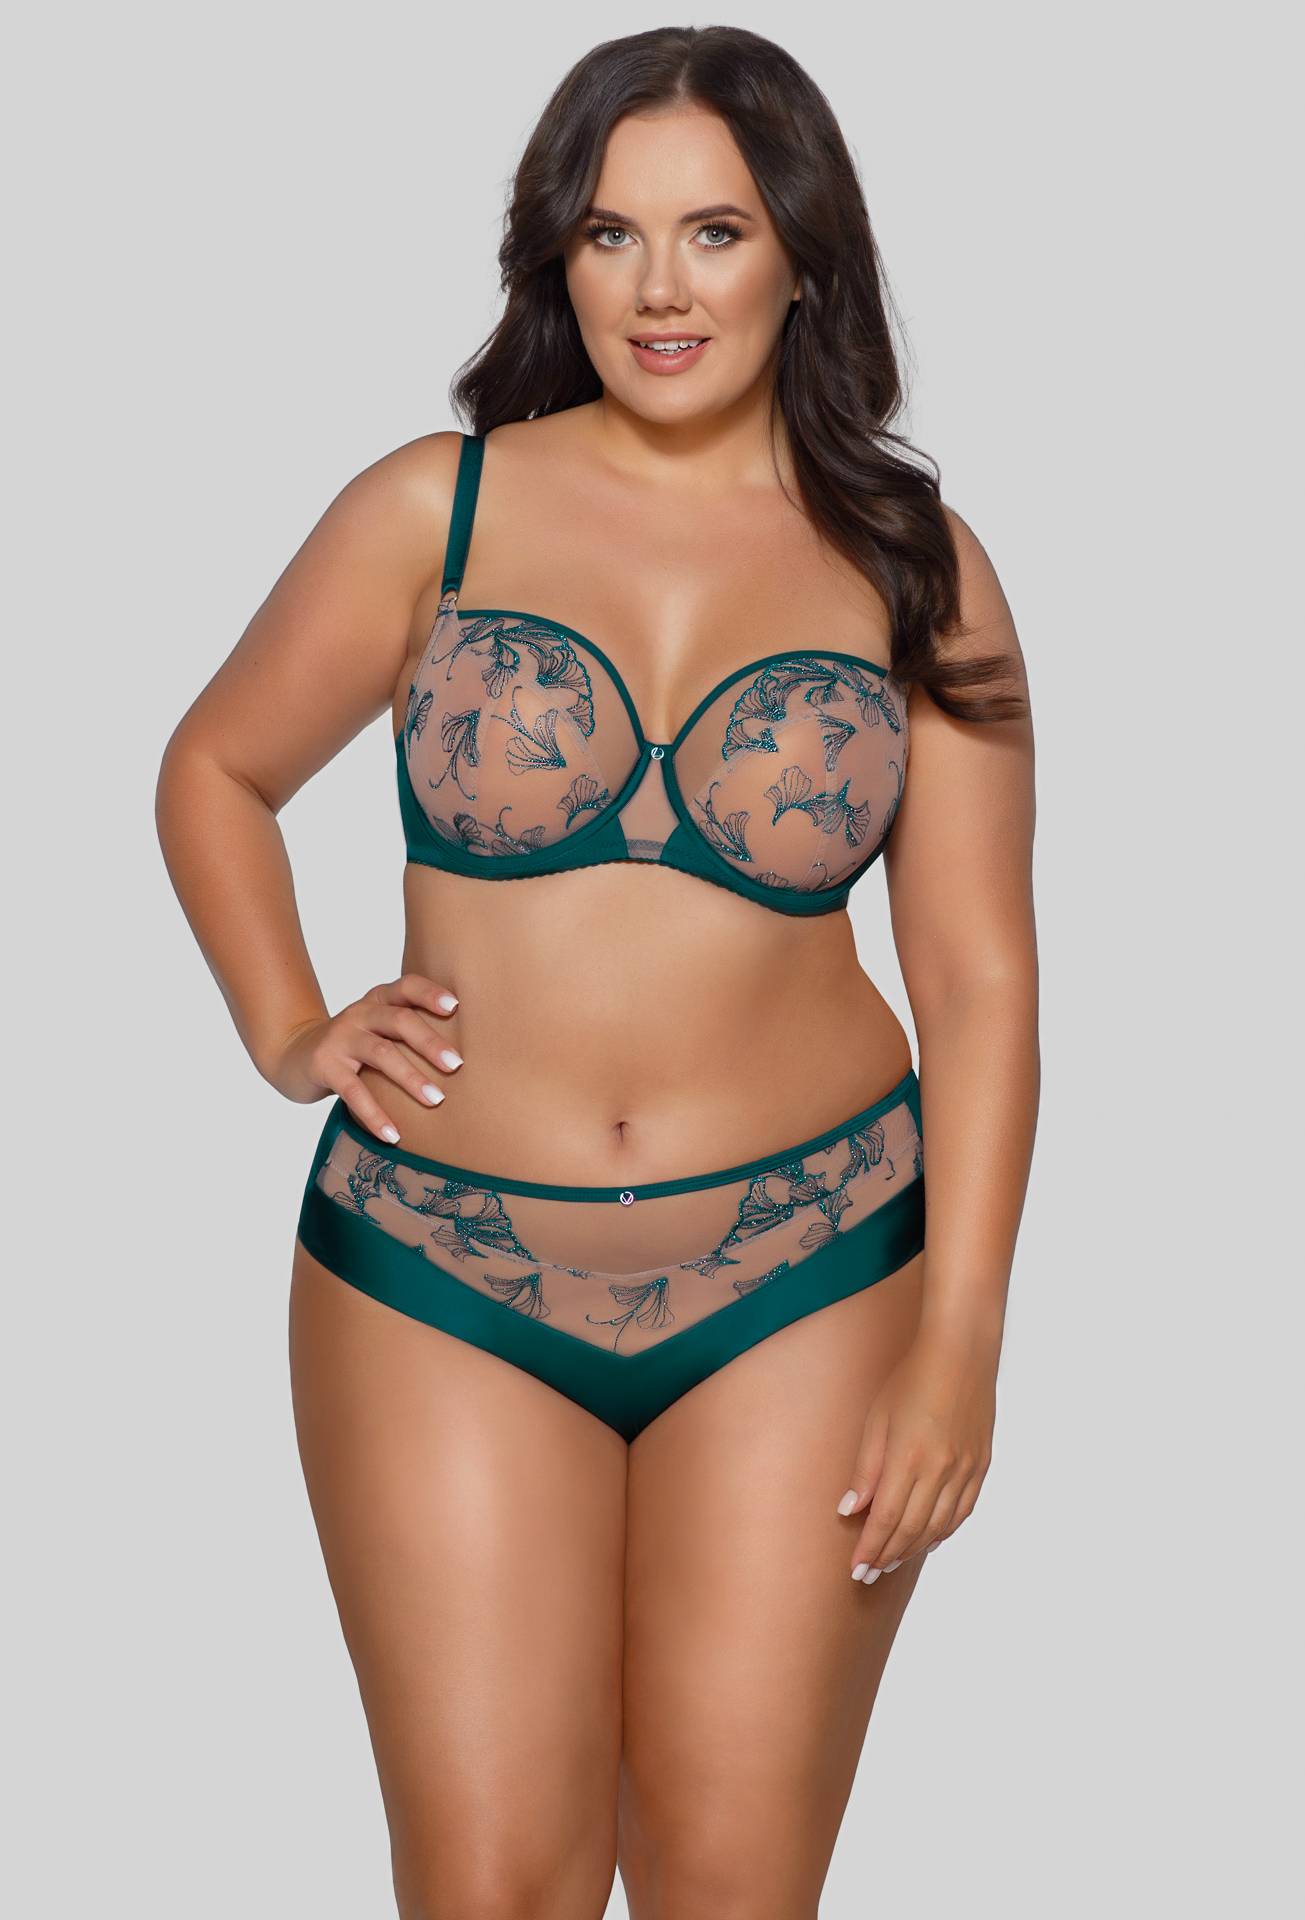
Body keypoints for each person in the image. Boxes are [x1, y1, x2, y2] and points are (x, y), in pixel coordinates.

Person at [156, 24, 1038, 1919]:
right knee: (490, 1888)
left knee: (732, 1887)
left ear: (801, 255)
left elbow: (975, 980)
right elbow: (214, 768)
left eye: (714, 232)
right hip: (434, 1266)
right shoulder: (436, 508)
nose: (658, 289)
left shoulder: (915, 565)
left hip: (812, 1265)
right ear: (555, 255)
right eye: (609, 233)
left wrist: (961, 1337)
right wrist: (288, 1025)